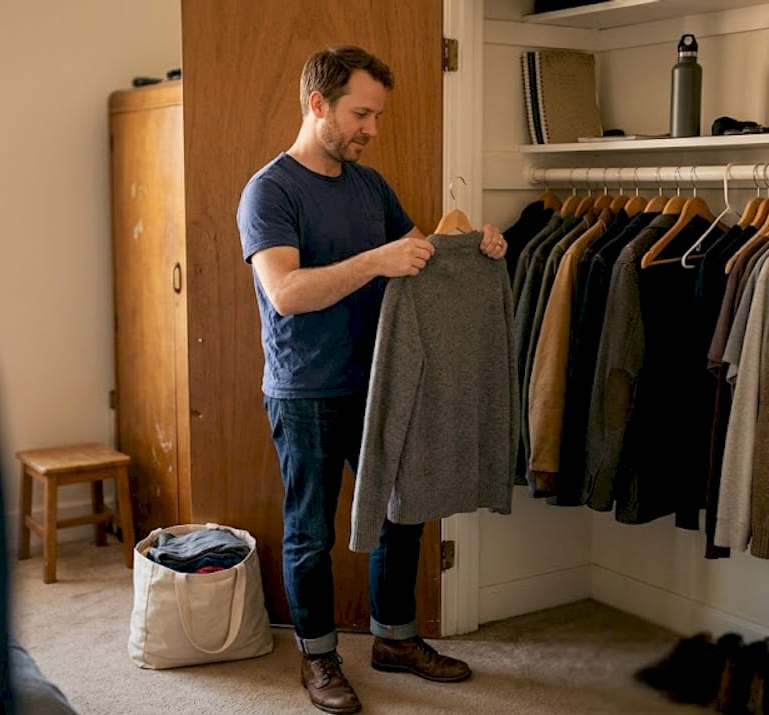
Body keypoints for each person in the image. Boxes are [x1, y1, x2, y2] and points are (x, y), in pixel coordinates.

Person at [237, 45, 507, 714]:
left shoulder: (370, 185)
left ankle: (393, 637)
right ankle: (320, 656)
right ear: (317, 103)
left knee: (402, 510)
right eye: (361, 113)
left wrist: (476, 243)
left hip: (383, 381)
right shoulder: (270, 190)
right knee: (311, 531)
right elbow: (288, 291)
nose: (372, 130)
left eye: (378, 116)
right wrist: (376, 260)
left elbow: (424, 257)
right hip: (307, 390)